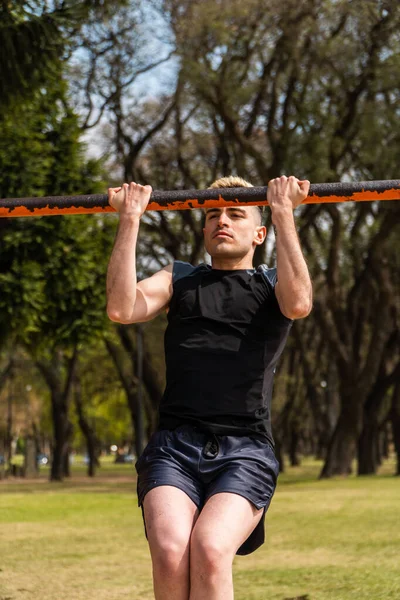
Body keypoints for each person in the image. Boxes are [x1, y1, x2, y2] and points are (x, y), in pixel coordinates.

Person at [106, 175, 312, 600]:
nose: (222, 220)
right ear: (203, 232)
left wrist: (284, 212)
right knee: (169, 550)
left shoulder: (272, 284)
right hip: (173, 448)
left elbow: (299, 303)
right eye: (213, 214)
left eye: (236, 214)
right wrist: (130, 219)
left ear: (259, 233)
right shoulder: (179, 279)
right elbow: (122, 307)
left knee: (211, 548)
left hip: (246, 449)